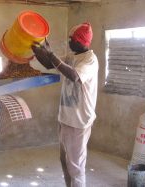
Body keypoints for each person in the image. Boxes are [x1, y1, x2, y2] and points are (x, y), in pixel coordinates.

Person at [31, 22, 98, 187]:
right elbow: (50, 64)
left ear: (81, 41)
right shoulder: (73, 55)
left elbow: (74, 75)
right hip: (65, 118)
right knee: (65, 160)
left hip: (79, 120)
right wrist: (36, 49)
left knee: (75, 166)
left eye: (71, 39)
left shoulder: (90, 60)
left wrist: (51, 53)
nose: (69, 41)